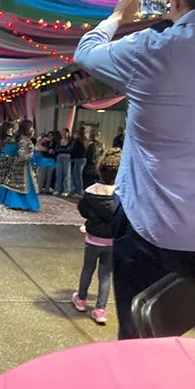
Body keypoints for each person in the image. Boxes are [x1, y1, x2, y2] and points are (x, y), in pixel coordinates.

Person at [74, 0, 195, 340]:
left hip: (149, 229)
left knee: (141, 345)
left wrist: (117, 17)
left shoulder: (148, 49)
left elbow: (85, 52)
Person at [72, 148, 122, 325]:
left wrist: (93, 217)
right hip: (112, 240)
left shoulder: (90, 191)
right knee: (106, 274)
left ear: (100, 169)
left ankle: (81, 300)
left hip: (93, 239)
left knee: (87, 269)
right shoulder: (121, 193)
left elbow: (82, 210)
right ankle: (100, 309)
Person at [0, 120, 40, 212]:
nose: (32, 129)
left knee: (17, 185)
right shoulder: (24, 139)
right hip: (23, 166)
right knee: (24, 185)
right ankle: (21, 203)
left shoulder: (21, 138)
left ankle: (16, 203)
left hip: (20, 165)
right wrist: (31, 156)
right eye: (31, 127)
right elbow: (22, 154)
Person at [0, 122, 15, 201]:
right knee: (7, 178)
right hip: (8, 159)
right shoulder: (10, 139)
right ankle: (5, 197)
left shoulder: (1, 138)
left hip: (1, 158)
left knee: (0, 177)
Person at [53, 128, 73, 197]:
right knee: (58, 174)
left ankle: (66, 190)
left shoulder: (70, 142)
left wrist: (62, 150)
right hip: (59, 158)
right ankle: (57, 189)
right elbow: (56, 150)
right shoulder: (59, 141)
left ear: (68, 133)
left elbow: (69, 150)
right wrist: (62, 150)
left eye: (65, 132)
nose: (63, 134)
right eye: (62, 132)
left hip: (67, 158)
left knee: (66, 174)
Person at [70, 128, 88, 197]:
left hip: (79, 159)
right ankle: (75, 190)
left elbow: (77, 151)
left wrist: (72, 156)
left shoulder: (79, 142)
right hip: (79, 159)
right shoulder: (81, 141)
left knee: (78, 175)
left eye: (76, 134)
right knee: (76, 175)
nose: (75, 135)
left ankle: (79, 191)